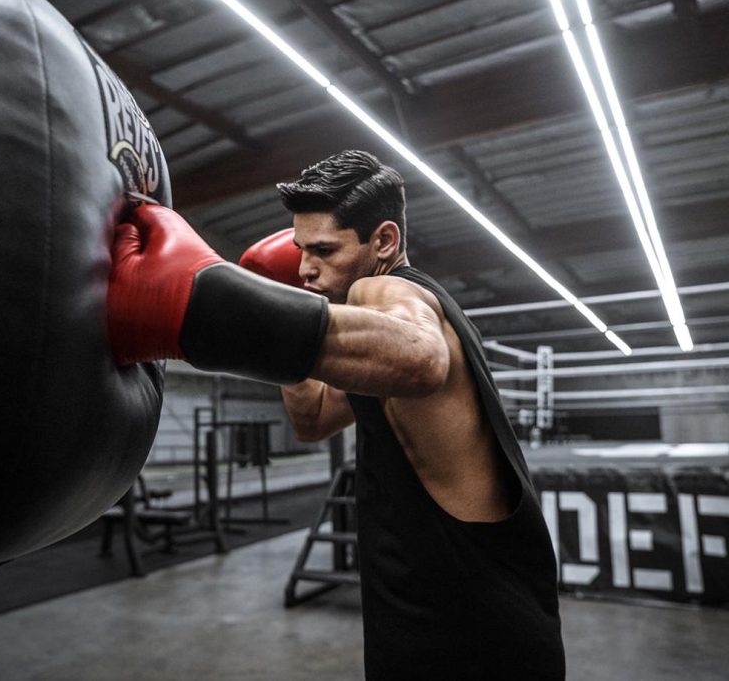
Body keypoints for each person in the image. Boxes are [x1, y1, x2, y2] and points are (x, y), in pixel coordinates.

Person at [107, 150, 565, 680]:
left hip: (469, 634)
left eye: (323, 250)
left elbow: (419, 357)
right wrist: (288, 299)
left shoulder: (390, 289)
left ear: (385, 242)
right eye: (300, 250)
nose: (305, 268)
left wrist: (213, 306)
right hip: (460, 615)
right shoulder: (389, 338)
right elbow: (314, 420)